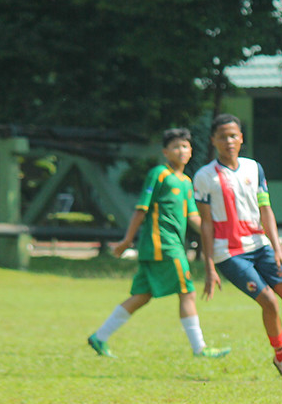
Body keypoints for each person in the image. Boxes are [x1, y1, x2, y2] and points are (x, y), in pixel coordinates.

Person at [194, 114, 282, 380]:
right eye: (222, 136)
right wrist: (208, 267)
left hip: (260, 244)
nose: (229, 141)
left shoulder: (254, 168)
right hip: (229, 253)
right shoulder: (205, 176)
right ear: (213, 140)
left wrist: (277, 248)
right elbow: (205, 224)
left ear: (241, 138)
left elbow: (266, 209)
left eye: (233, 135)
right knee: (270, 302)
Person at [87, 128, 230, 360]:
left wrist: (219, 230)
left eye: (185, 146)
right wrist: (126, 240)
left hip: (165, 246)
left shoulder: (185, 181)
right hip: (163, 245)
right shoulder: (159, 174)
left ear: (191, 151)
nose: (181, 151)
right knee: (187, 292)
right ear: (165, 152)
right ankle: (200, 349)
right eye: (175, 146)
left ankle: (99, 337)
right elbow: (141, 210)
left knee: (142, 295)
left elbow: (194, 218)